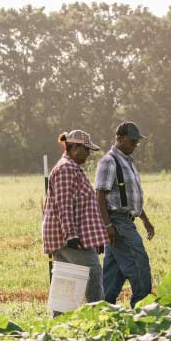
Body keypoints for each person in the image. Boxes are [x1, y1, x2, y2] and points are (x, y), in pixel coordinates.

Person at [42, 129, 110, 308]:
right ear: (75, 147)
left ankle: (59, 327)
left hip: (75, 237)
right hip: (71, 239)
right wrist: (71, 235)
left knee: (66, 285)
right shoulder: (66, 168)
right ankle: (99, 319)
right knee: (93, 275)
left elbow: (84, 207)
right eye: (86, 149)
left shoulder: (72, 168)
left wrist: (97, 239)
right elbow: (64, 204)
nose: (88, 154)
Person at [95, 121, 155, 308]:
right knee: (139, 263)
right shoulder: (109, 161)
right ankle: (142, 309)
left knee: (114, 272)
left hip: (127, 220)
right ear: (119, 139)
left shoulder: (128, 162)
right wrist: (107, 226)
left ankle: (105, 310)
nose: (135, 145)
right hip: (117, 222)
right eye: (132, 141)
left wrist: (145, 219)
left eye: (137, 142)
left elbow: (130, 197)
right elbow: (100, 196)